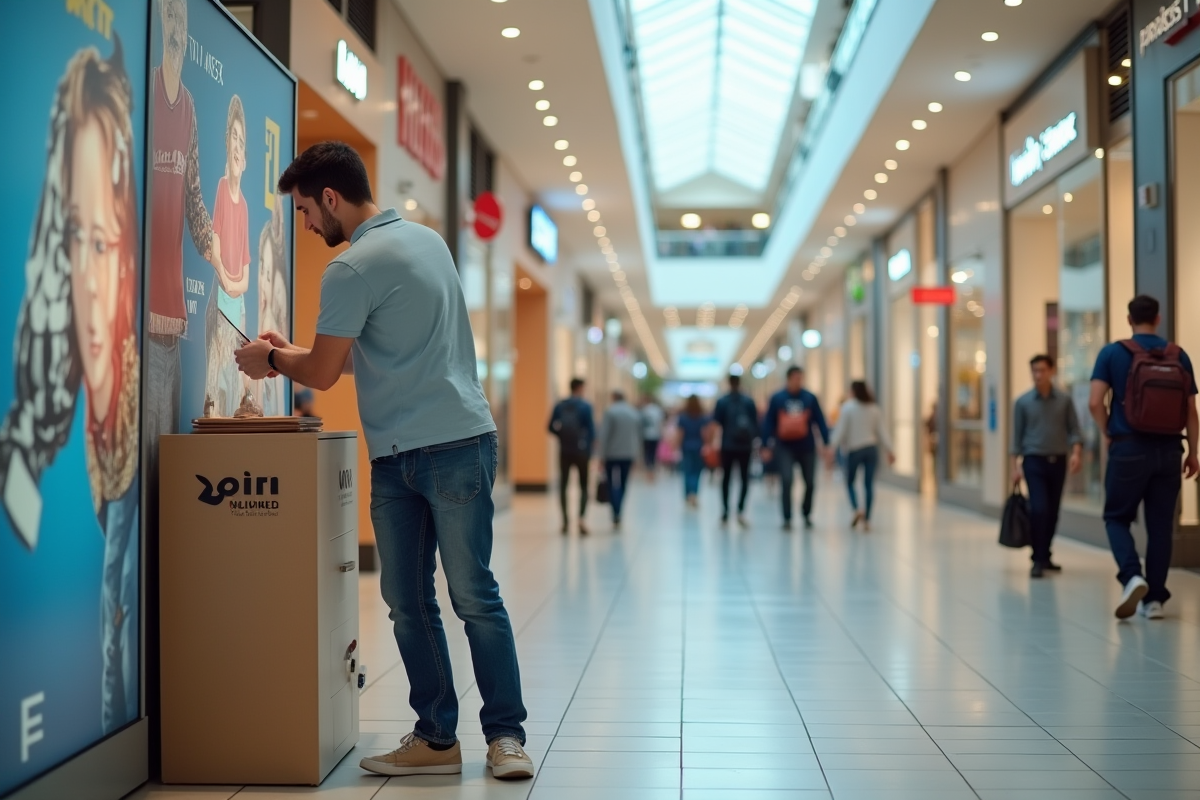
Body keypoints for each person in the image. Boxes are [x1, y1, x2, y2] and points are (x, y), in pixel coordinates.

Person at [234, 141, 533, 779]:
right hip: (450, 441)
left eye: (308, 212)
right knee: (468, 595)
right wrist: (300, 352)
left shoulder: (350, 268)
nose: (308, 226)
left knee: (420, 600)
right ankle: (480, 740)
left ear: (332, 198)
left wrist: (271, 359)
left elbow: (320, 371)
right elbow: (356, 350)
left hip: (423, 452)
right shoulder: (430, 241)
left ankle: (462, 735)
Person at [0, 42, 141, 733]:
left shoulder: (139, 437)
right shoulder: (55, 433)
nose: (89, 279)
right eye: (76, 239)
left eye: (106, 243)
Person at [1089, 295, 1199, 621]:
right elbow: (1191, 411)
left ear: (1128, 319)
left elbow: (1095, 402)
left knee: (1116, 517)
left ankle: (1131, 575)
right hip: (1169, 451)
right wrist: (1194, 452)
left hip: (1128, 449)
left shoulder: (1113, 353)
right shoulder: (1179, 355)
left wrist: (1107, 432)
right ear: (1158, 318)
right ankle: (1154, 601)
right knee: (1160, 527)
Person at [1011, 355, 1083, 578]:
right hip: (1033, 461)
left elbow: (1074, 430)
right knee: (1039, 508)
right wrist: (1015, 467)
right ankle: (1037, 558)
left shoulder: (1064, 400)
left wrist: (1076, 454)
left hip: (1058, 460)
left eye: (1042, 370)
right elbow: (1016, 437)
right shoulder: (1022, 403)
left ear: (1051, 371)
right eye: (1034, 371)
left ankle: (1046, 554)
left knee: (1052, 511)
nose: (1038, 375)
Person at [204, 94, 251, 418]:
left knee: (236, 391)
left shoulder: (245, 204)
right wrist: (229, 282)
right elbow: (216, 253)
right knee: (215, 392)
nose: (237, 146)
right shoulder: (221, 187)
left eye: (242, 140)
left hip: (239, 311)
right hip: (222, 309)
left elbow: (245, 275)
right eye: (233, 137)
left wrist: (235, 284)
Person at [762, 366, 830, 530]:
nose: (798, 381)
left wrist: (826, 443)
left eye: (800, 378)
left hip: (806, 446)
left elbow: (819, 420)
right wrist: (765, 445)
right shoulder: (778, 398)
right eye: (795, 378)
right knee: (786, 480)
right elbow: (768, 422)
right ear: (788, 378)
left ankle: (806, 513)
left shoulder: (810, 398)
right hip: (784, 447)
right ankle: (787, 517)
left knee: (810, 482)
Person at [830, 382, 894, 531]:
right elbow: (882, 432)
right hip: (871, 449)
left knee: (850, 482)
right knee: (869, 485)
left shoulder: (848, 408)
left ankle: (856, 508)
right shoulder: (874, 409)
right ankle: (868, 519)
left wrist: (831, 447)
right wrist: (890, 450)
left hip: (854, 450)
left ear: (853, 391)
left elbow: (840, 431)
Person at [548, 378, 596, 535]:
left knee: (564, 485)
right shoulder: (586, 406)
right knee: (583, 485)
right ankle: (581, 518)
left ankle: (565, 521)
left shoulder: (560, 405)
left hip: (565, 451)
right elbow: (591, 431)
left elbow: (549, 427)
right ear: (580, 388)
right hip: (582, 451)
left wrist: (562, 436)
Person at [712, 374, 759, 526]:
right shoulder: (748, 401)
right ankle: (740, 510)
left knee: (726, 478)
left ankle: (725, 510)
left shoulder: (723, 401)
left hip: (728, 445)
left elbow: (716, 423)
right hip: (745, 446)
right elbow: (756, 423)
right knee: (744, 478)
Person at [596, 390, 642, 528]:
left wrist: (601, 456)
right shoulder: (633, 413)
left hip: (611, 454)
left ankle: (615, 510)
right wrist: (637, 455)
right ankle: (619, 509)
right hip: (628, 454)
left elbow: (603, 436)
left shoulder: (610, 412)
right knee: (623, 483)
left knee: (611, 483)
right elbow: (638, 436)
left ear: (613, 398)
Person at [676, 395, 711, 507]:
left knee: (687, 471)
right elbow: (705, 434)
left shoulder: (683, 417)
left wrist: (676, 445)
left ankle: (688, 494)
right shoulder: (702, 417)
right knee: (697, 472)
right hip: (699, 447)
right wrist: (707, 445)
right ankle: (694, 493)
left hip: (686, 447)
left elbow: (680, 434)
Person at [640, 395, 665, 480]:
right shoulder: (657, 410)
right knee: (653, 454)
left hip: (645, 435)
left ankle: (649, 472)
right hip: (655, 435)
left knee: (647, 454)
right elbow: (660, 423)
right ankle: (652, 471)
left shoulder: (644, 410)